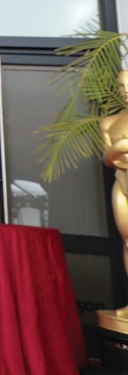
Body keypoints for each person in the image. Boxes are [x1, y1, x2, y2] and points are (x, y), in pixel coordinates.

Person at [100, 69, 128, 329]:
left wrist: (119, 149)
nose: (125, 90)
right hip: (122, 183)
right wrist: (119, 148)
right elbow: (108, 158)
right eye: (121, 85)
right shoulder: (109, 122)